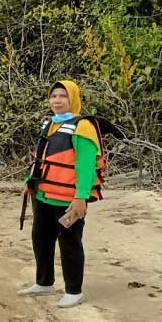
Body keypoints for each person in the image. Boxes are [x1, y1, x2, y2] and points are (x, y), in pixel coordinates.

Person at [19, 80, 106, 308]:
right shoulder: (50, 124)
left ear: (73, 99)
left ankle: (73, 291)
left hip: (68, 199)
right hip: (43, 195)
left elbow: (86, 166)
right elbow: (41, 157)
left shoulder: (84, 127)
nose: (57, 101)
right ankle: (44, 282)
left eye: (63, 96)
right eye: (54, 96)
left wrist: (81, 198)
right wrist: (30, 182)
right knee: (41, 239)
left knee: (69, 243)